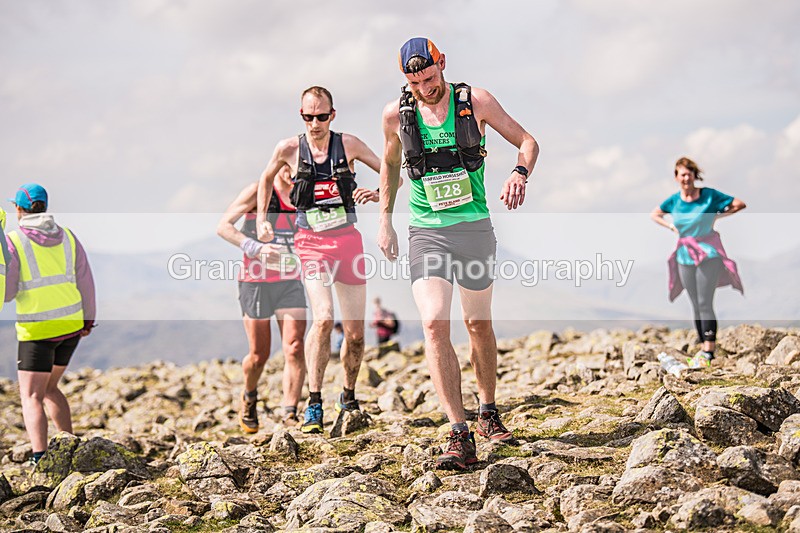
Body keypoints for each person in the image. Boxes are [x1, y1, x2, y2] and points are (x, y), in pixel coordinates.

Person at [377, 38, 540, 470]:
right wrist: (384, 219)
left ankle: (487, 410)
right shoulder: (396, 115)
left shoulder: (477, 102)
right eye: (414, 82)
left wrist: (520, 173)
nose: (423, 89)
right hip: (426, 231)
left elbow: (527, 141)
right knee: (433, 322)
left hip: (473, 228)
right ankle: (458, 431)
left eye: (429, 78)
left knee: (477, 324)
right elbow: (390, 165)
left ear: (442, 64)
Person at [256, 86, 381, 434]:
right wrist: (264, 218)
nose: (314, 123)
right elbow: (265, 179)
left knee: (355, 334)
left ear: (332, 115)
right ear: (301, 116)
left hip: (347, 243)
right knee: (323, 318)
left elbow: (391, 169)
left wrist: (378, 192)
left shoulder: (349, 145)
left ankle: (348, 395)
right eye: (308, 117)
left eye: (321, 116)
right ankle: (313, 403)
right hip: (309, 242)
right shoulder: (288, 149)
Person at [4, 183, 96, 464]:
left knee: (31, 395)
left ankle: (40, 457)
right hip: (71, 327)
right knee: (50, 388)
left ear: (19, 209)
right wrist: (88, 320)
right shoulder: (69, 237)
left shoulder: (13, 241)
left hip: (38, 331)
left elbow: (7, 294)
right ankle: (70, 449)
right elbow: (86, 281)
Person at [217, 165, 308, 432]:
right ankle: (249, 394)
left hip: (290, 280)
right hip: (255, 281)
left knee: (294, 346)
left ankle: (290, 413)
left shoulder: (306, 193)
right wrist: (256, 247)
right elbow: (223, 227)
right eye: (288, 164)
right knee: (259, 355)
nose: (294, 171)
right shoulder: (259, 192)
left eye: (300, 165)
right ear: (279, 164)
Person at [651, 157, 746, 368]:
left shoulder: (709, 196)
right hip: (684, 255)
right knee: (694, 303)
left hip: (708, 253)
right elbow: (655, 214)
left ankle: (709, 351)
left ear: (694, 175)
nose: (686, 178)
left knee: (705, 301)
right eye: (681, 174)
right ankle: (703, 347)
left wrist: (718, 216)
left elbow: (739, 204)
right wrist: (671, 227)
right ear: (676, 177)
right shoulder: (674, 200)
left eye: (689, 173)